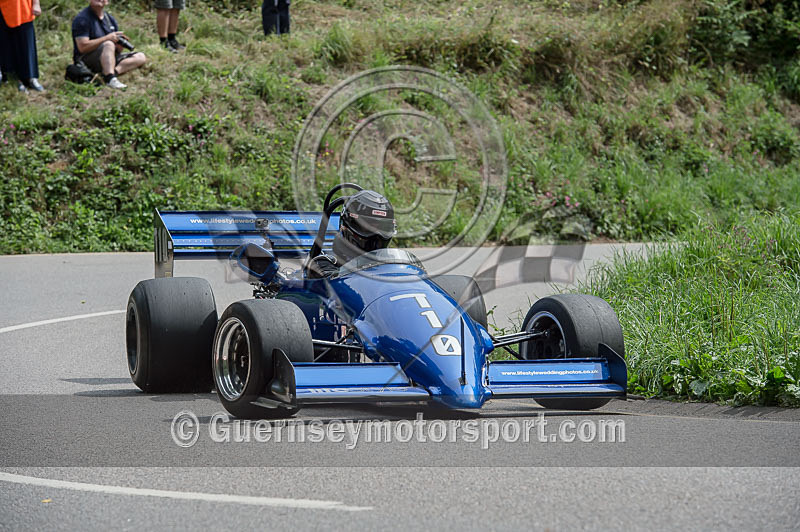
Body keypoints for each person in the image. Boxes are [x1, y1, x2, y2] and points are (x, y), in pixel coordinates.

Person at [307, 190, 397, 278]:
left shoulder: (393, 263)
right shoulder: (323, 264)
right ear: (347, 226)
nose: (376, 235)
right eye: (368, 227)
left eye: (381, 228)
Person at [71, 0, 146, 90]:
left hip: (108, 56)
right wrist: (107, 38)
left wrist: (119, 47)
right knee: (108, 44)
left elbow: (114, 47)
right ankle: (110, 79)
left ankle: (112, 73)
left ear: (107, 1)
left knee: (141, 56)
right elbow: (82, 47)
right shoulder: (82, 19)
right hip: (86, 58)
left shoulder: (110, 19)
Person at [0, 0, 44, 92]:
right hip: (4, 10)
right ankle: (13, 79)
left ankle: (30, 77)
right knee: (8, 47)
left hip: (24, 8)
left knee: (27, 44)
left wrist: (36, 4)